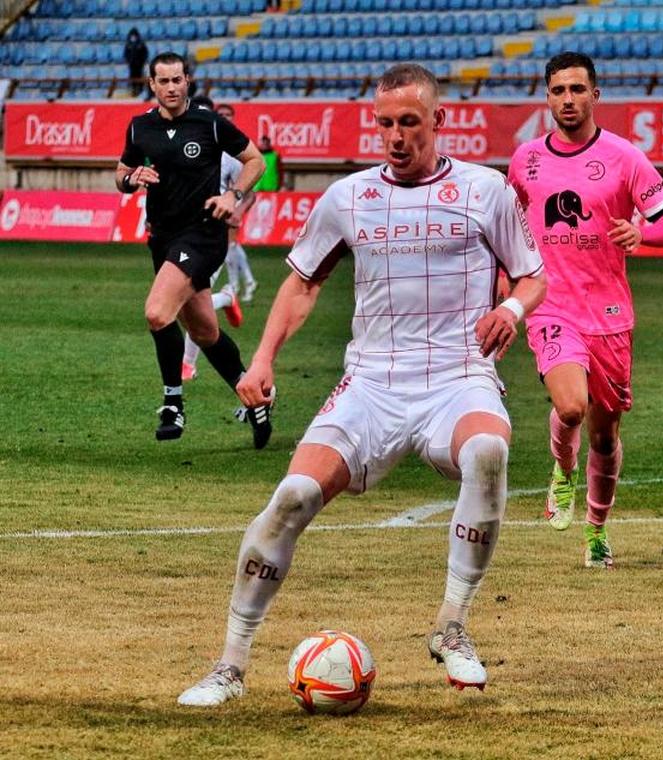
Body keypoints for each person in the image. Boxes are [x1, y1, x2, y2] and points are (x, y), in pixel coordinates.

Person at [177, 63, 547, 707]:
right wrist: (261, 359)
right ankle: (230, 664)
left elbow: (531, 275)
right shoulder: (348, 198)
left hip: (458, 375)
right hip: (372, 381)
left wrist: (510, 311)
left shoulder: (486, 191)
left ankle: (452, 625)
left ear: (439, 120)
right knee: (291, 497)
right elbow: (302, 282)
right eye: (385, 123)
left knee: (488, 452)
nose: (396, 135)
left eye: (409, 122)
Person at [507, 51, 663, 568]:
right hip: (550, 304)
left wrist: (643, 232)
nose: (568, 99)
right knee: (570, 407)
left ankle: (597, 530)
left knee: (605, 437)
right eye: (558, 90)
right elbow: (509, 228)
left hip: (608, 314)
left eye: (577, 90)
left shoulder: (626, 157)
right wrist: (507, 292)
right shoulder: (525, 160)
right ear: (547, 97)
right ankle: (562, 471)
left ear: (595, 95)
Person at [115, 52, 273, 448]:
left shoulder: (211, 124)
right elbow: (121, 173)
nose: (171, 88)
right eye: (163, 81)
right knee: (204, 331)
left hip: (203, 234)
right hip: (164, 238)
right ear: (151, 84)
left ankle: (172, 402)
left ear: (188, 81)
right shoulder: (140, 129)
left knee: (156, 312)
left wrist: (233, 196)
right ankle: (256, 396)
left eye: (177, 80)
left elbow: (255, 161)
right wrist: (133, 177)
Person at [181, 97, 248, 383]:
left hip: (212, 232)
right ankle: (226, 297)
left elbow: (251, 183)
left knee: (190, 296)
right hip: (183, 233)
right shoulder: (181, 149)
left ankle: (187, 364)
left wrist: (237, 207)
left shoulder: (229, 153)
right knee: (191, 299)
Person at [216, 103, 259, 303]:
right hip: (212, 207)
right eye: (221, 114)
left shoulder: (237, 149)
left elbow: (250, 191)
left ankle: (235, 285)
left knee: (229, 246)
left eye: (228, 115)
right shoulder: (213, 146)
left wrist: (238, 210)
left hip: (227, 206)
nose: (225, 117)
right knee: (230, 246)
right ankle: (247, 281)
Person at [123, 28, 148, 97]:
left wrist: (142, 61)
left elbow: (145, 53)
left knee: (140, 76)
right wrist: (128, 61)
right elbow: (126, 54)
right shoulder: (128, 44)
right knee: (132, 76)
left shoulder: (141, 44)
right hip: (131, 64)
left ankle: (140, 90)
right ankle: (133, 90)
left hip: (140, 64)